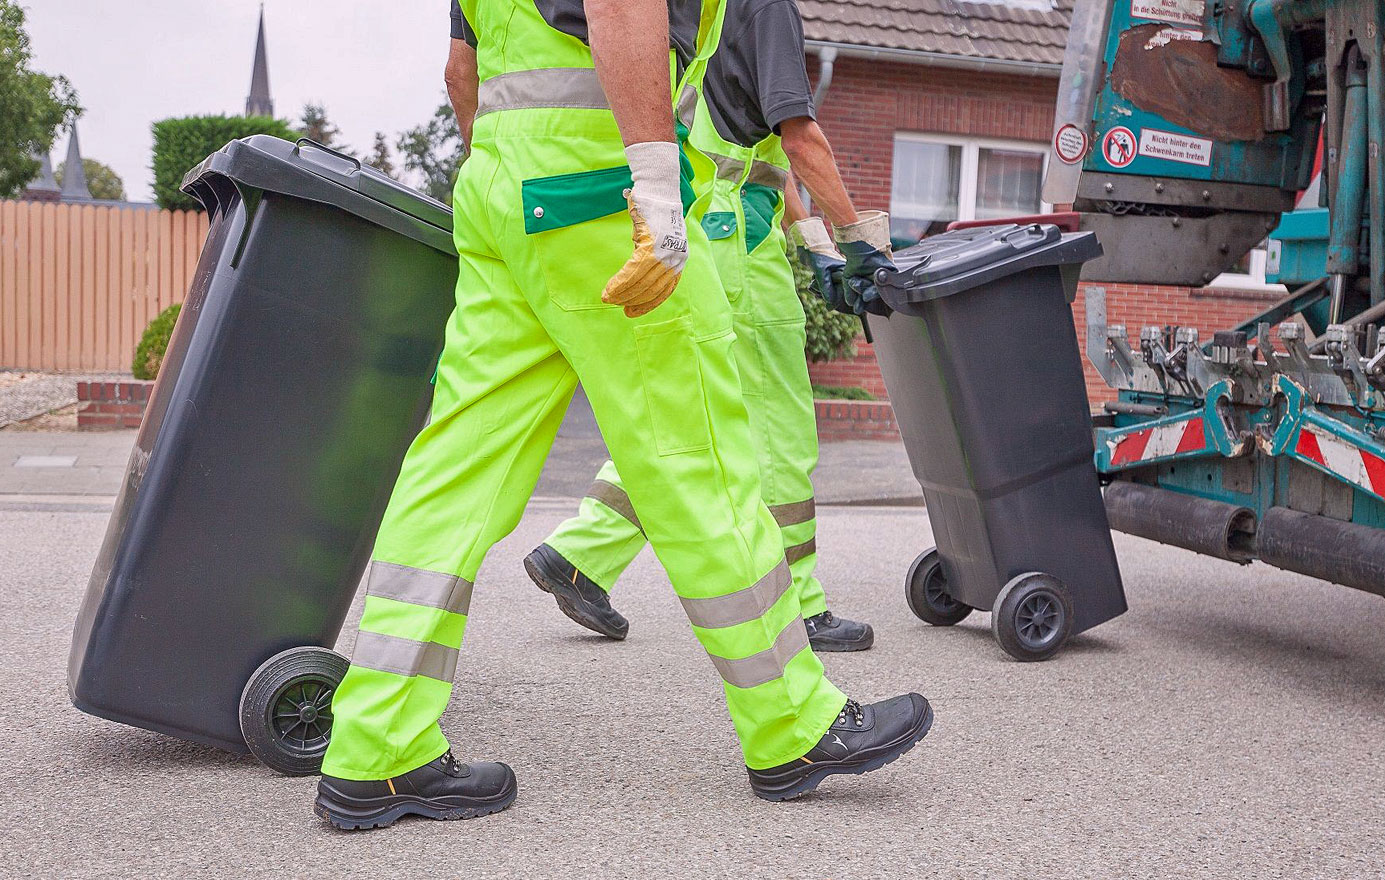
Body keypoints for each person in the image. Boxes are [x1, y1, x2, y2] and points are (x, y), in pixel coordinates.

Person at [312, 0, 932, 830]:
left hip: (503, 184)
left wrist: (515, 179)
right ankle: (793, 725)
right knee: (698, 455)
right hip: (605, 190)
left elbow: (461, 70)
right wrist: (653, 189)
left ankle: (376, 747)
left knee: (455, 467)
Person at [521, 0, 887, 653]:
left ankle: (578, 554)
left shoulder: (716, 10)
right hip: (741, 246)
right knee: (779, 431)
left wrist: (817, 243)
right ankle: (799, 603)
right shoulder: (769, 9)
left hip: (714, 220)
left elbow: (770, 156)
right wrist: (864, 243)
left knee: (693, 421)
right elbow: (801, 137)